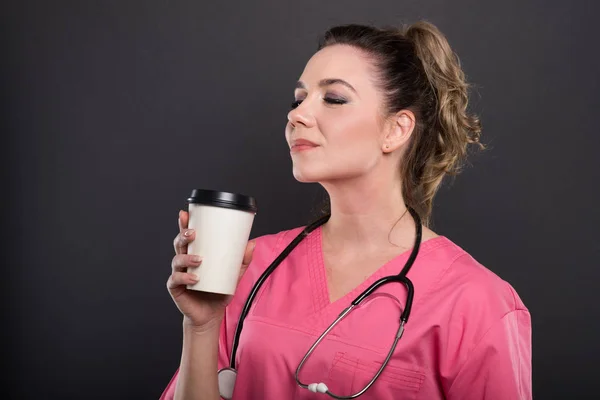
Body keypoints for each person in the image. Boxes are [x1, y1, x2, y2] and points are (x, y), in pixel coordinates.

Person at [160, 21, 532, 400]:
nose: (297, 115)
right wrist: (202, 326)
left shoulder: (477, 302)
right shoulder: (249, 263)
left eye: (333, 99)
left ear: (396, 130)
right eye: (298, 99)